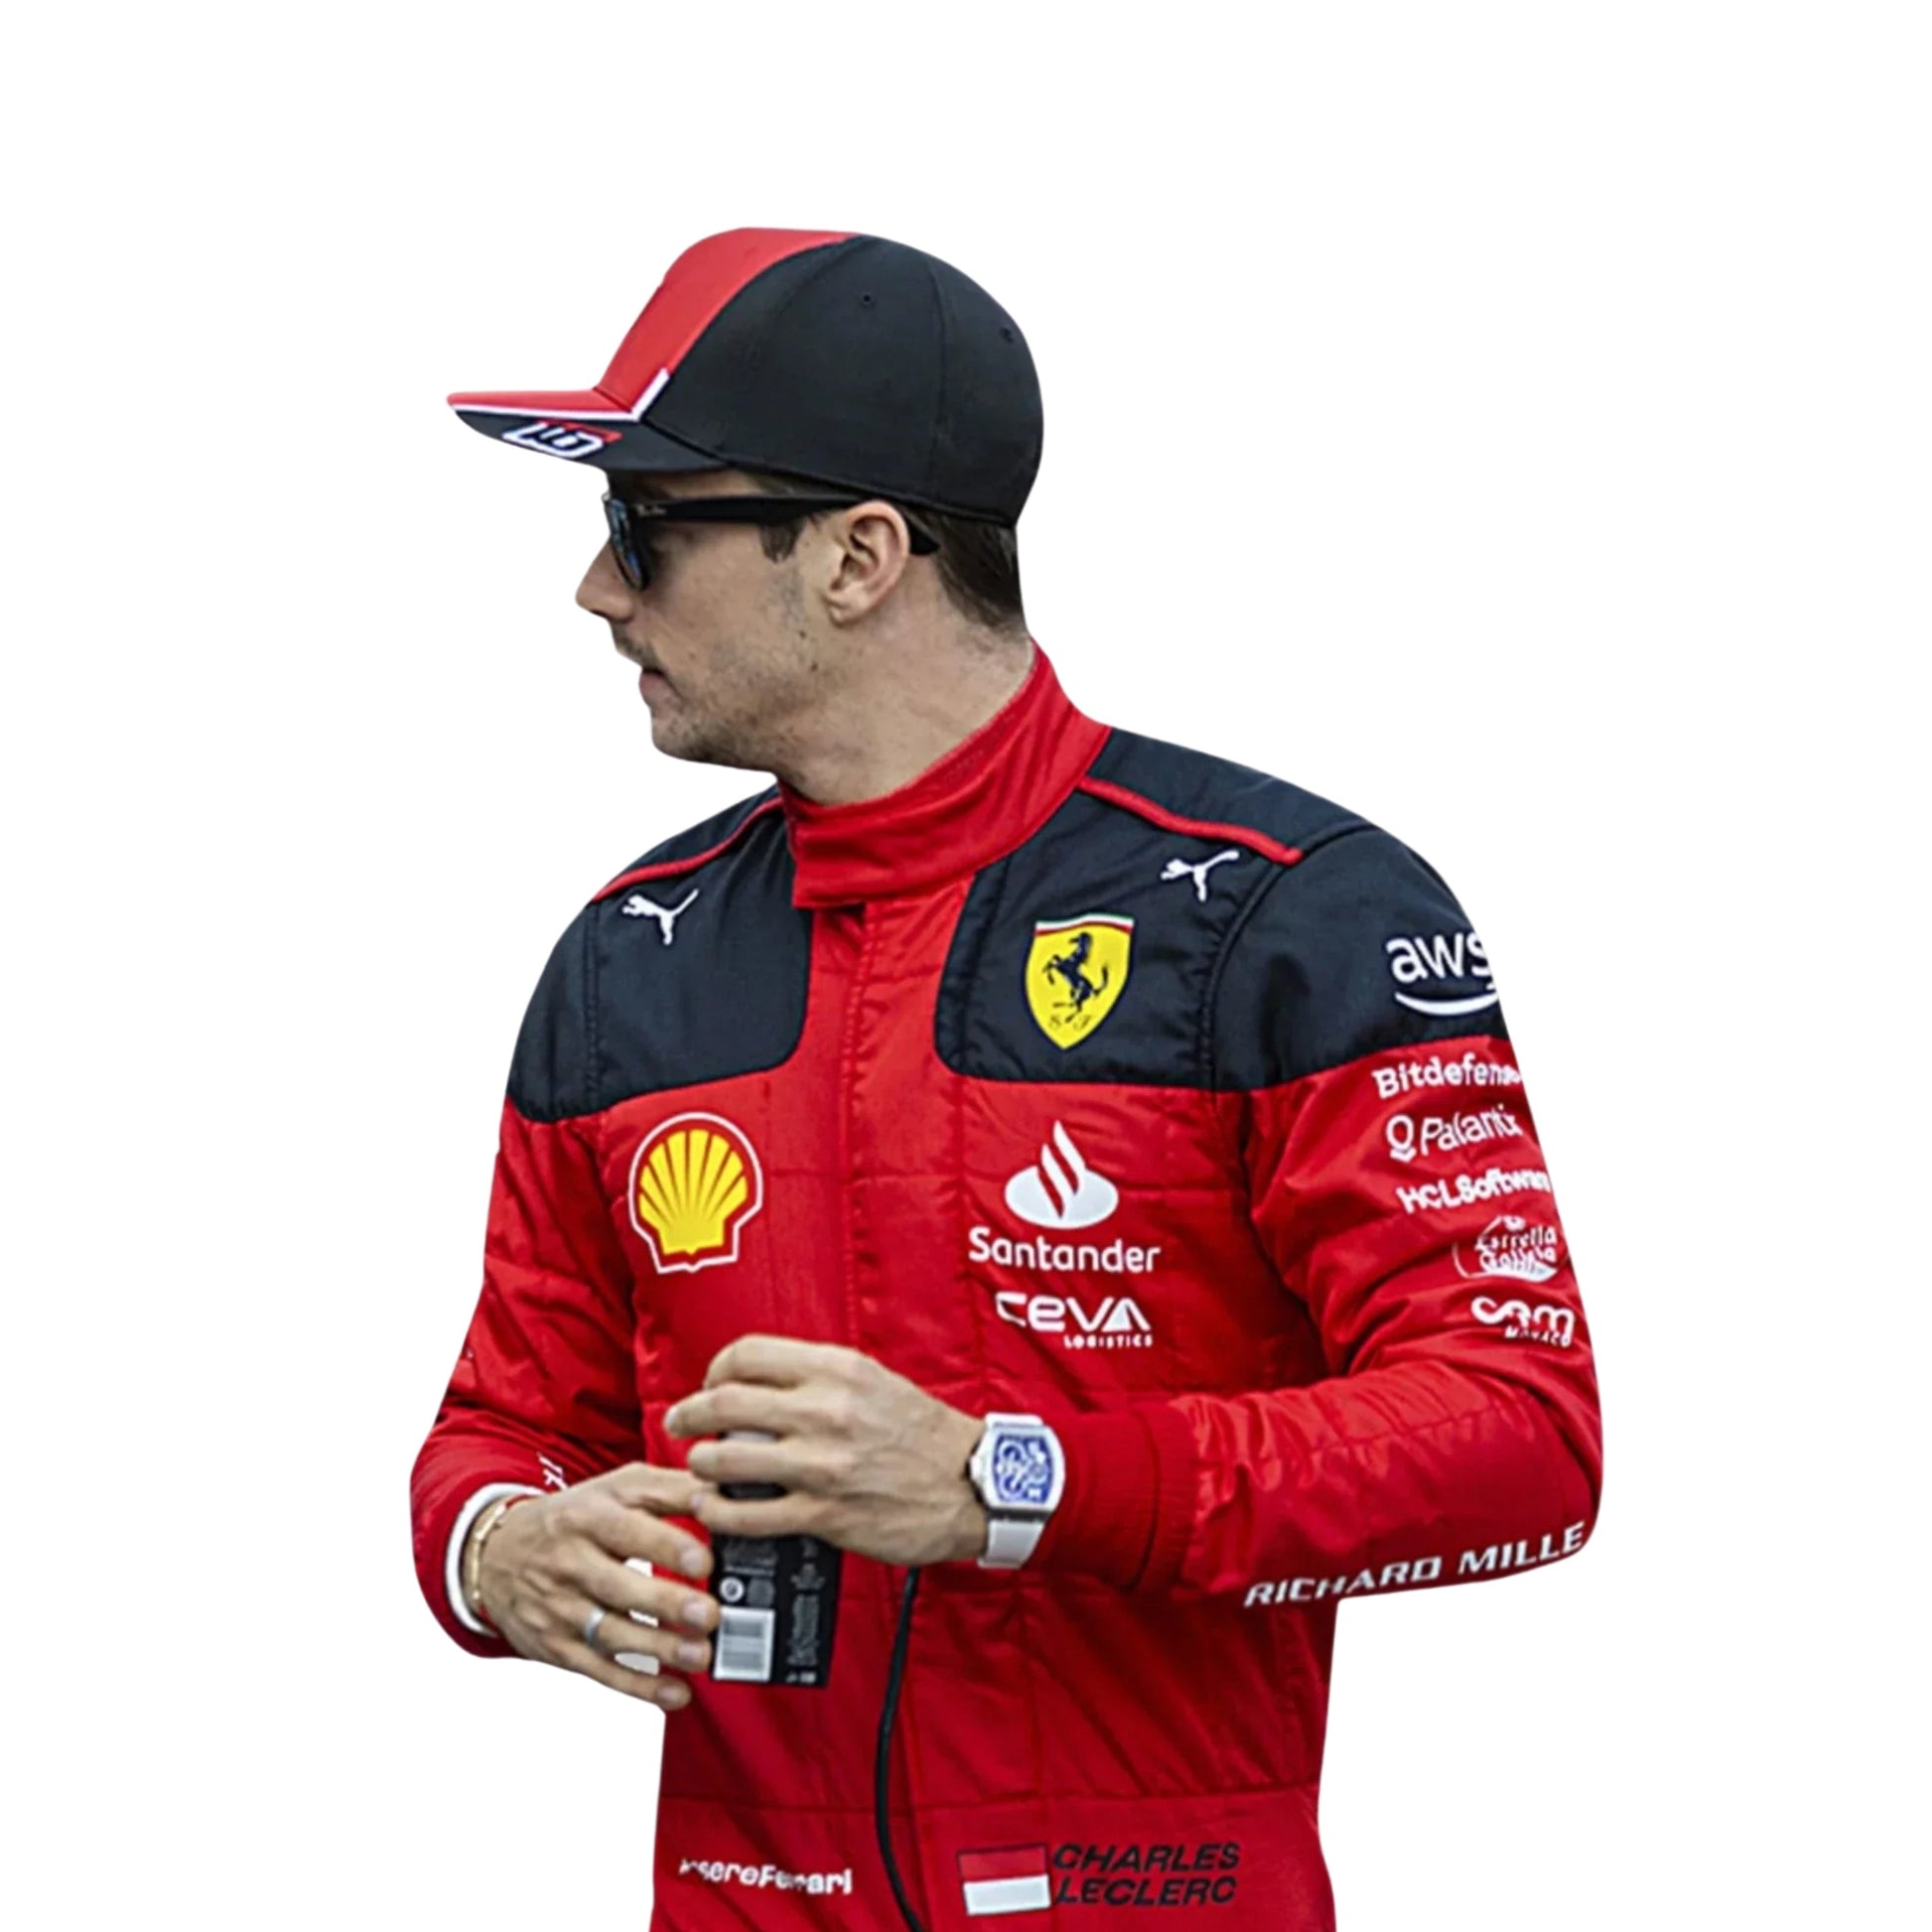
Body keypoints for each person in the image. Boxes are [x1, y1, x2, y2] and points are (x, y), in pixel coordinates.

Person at [409, 227, 1602, 1931]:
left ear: (858, 555)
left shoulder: (1288, 911)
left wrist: (1008, 1484)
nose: (599, 591)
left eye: (647, 524)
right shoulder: (629, 957)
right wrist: (493, 1549)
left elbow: (1522, 1437)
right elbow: (503, 1427)